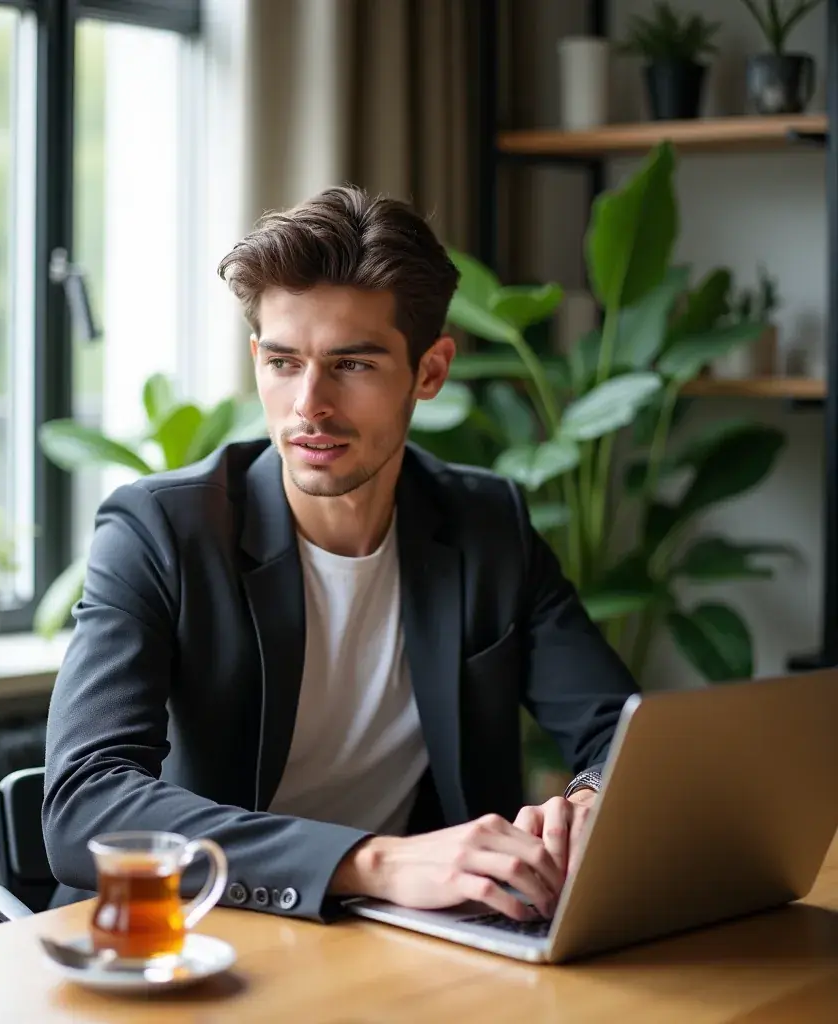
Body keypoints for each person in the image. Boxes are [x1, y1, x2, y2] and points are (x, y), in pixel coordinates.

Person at [42, 185, 639, 925]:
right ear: (258, 357)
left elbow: (622, 730)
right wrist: (374, 860)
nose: (309, 406)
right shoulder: (158, 531)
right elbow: (85, 804)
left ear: (430, 371)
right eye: (285, 363)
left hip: (403, 943)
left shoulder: (488, 524)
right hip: (194, 939)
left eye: (352, 365)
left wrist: (588, 799)